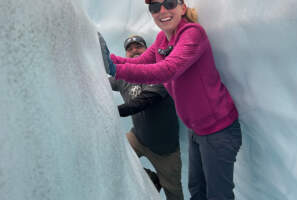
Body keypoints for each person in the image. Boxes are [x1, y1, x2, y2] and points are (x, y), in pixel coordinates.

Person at [100, 0, 242, 199]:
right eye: (155, 7)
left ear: (182, 8)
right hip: (197, 130)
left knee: (218, 195)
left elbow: (168, 70)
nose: (162, 11)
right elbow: (138, 62)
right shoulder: (162, 40)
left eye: (169, 3)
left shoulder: (193, 33)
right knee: (197, 190)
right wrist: (107, 58)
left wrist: (115, 69)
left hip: (218, 130)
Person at [102, 34, 184, 200]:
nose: (134, 51)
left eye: (138, 46)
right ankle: (149, 179)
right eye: (130, 49)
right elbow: (100, 81)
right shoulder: (123, 77)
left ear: (147, 51)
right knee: (110, 155)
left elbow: (145, 101)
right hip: (137, 138)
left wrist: (112, 111)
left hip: (165, 151)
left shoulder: (159, 72)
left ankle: (157, 181)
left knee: (174, 193)